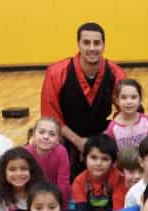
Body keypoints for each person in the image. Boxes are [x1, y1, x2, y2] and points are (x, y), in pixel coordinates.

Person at [41, 22, 126, 179]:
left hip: (102, 133)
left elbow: (128, 112)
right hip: (66, 135)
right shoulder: (56, 72)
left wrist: (99, 143)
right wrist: (79, 142)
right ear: (78, 44)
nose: (92, 48)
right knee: (44, 139)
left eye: (97, 43)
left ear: (103, 45)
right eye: (86, 42)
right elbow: (50, 116)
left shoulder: (116, 73)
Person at [72, 134, 126, 211]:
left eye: (105, 159)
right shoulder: (79, 182)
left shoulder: (118, 178)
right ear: (84, 157)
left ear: (113, 162)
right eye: (93, 157)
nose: (98, 163)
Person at [0, 147, 45, 211]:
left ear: (31, 171)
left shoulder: (42, 192)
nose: (18, 173)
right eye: (12, 169)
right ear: (4, 172)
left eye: (23, 169)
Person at [25, 117, 71, 209]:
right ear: (34, 135)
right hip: (33, 196)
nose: (46, 137)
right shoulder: (26, 152)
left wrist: (61, 207)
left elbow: (63, 182)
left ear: (58, 139)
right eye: (41, 132)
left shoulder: (61, 152)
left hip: (55, 196)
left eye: (52, 134)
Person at [104, 79, 148, 152]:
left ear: (140, 99)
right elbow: (109, 152)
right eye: (124, 97)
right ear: (117, 100)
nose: (129, 102)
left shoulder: (146, 121)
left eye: (133, 97)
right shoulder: (113, 128)